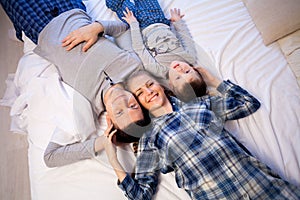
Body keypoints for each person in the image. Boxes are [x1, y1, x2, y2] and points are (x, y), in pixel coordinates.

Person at [104, 70, 300, 199]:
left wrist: (213, 80)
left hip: (265, 188)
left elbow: (249, 104)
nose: (148, 92)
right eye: (139, 93)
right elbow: (141, 195)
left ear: (161, 86)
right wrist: (113, 158)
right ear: (139, 103)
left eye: (150, 84)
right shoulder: (150, 139)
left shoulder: (200, 105)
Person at [0, 0, 150, 167]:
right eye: (133, 106)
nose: (122, 101)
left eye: (120, 112)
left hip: (40, 25)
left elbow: (50, 157)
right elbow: (123, 30)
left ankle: (22, 33)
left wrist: (104, 141)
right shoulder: (132, 66)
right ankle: (20, 34)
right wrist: (97, 28)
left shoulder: (85, 107)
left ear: (109, 121)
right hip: (72, 9)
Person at [105, 0, 198, 79]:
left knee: (117, 4)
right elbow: (186, 37)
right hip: (158, 18)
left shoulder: (159, 71)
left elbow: (140, 48)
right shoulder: (190, 57)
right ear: (193, 69)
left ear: (171, 84)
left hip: (140, 25)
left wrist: (133, 24)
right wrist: (178, 22)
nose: (180, 70)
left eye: (178, 78)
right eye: (186, 72)